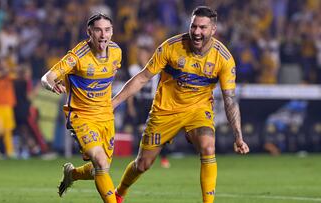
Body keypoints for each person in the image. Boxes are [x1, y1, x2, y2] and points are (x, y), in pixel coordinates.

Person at [112, 6, 249, 203]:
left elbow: (229, 99)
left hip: (198, 110)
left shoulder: (224, 59)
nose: (197, 32)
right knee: (143, 164)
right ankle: (119, 193)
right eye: (194, 26)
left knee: (208, 147)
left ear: (213, 30)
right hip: (165, 110)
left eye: (203, 27)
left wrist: (238, 136)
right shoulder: (171, 47)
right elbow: (142, 77)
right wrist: (114, 103)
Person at [41, 13, 121, 203]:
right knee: (101, 162)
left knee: (99, 169)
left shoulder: (117, 52)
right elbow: (47, 77)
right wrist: (52, 85)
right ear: (89, 32)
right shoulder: (77, 56)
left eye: (107, 30)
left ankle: (72, 174)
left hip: (106, 116)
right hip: (82, 116)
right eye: (98, 30)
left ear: (112, 32)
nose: (103, 35)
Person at [126, 35, 171, 168]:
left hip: (152, 102)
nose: (141, 56)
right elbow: (130, 88)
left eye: (143, 54)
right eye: (139, 54)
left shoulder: (156, 68)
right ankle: (141, 157)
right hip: (139, 102)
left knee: (158, 131)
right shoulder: (133, 69)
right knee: (139, 130)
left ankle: (163, 157)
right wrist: (130, 106)